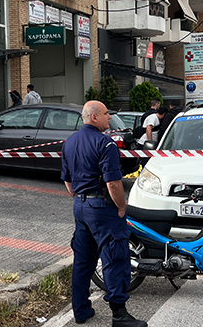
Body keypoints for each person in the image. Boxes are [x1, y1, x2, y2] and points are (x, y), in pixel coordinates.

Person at [61, 101, 147, 327]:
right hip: (101, 209)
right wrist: (121, 206)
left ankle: (81, 310)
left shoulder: (69, 142)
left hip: (80, 207)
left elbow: (68, 182)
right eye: (107, 113)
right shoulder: (105, 143)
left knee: (83, 261)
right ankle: (119, 315)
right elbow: (113, 182)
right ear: (94, 117)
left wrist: (80, 198)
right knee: (115, 259)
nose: (109, 117)